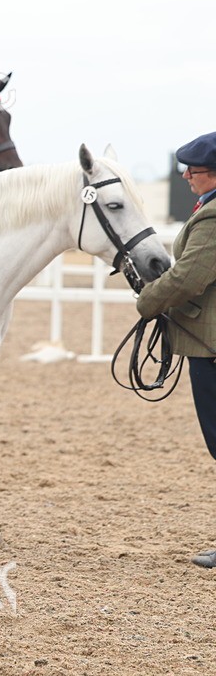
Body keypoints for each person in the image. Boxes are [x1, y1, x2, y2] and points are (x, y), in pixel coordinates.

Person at [135, 131, 216, 569]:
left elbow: (187, 277)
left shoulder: (214, 217)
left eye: (195, 170)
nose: (186, 175)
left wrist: (148, 300)